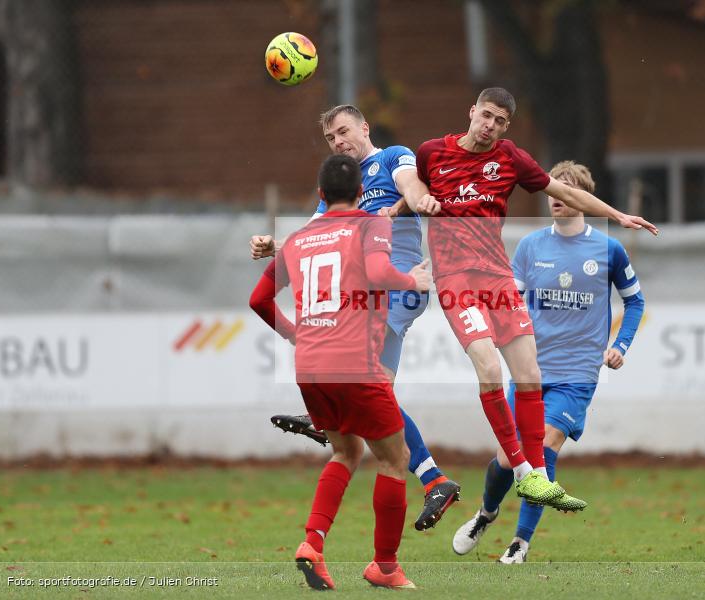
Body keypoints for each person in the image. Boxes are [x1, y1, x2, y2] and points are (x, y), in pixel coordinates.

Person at [409, 87, 658, 509]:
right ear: (471, 112)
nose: (490, 126)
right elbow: (413, 190)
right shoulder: (431, 153)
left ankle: (536, 476)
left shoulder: (510, 158)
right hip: (455, 279)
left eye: (500, 121)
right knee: (488, 367)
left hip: (498, 278)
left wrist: (616, 215)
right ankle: (525, 471)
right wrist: (404, 207)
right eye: (486, 116)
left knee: (529, 374)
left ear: (507, 126)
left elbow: (565, 192)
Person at [250, 105, 460, 531]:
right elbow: (313, 234)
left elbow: (412, 186)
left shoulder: (391, 158)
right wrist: (276, 246)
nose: (338, 141)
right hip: (365, 295)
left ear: (365, 127)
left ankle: (334, 423)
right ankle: (433, 478)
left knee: (369, 389)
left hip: (398, 286)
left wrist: (410, 204)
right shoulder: (339, 184)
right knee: (376, 391)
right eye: (330, 138)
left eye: (343, 131)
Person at [249, 154, 430, 590]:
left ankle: (312, 544)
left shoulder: (297, 238)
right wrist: (413, 281)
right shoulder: (372, 225)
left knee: (346, 453)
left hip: (310, 367)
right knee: (395, 459)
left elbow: (259, 299)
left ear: (320, 195)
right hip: (356, 365)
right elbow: (378, 271)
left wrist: (295, 335)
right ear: (362, 194)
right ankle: (384, 566)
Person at [451, 160, 646, 563]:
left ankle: (520, 543)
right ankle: (486, 513)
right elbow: (511, 302)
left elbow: (635, 300)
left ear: (580, 198)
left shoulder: (608, 248)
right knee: (510, 458)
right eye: (554, 190)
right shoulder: (530, 247)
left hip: (577, 373)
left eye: (567, 190)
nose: (557, 197)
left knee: (544, 446)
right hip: (531, 369)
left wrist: (621, 346)